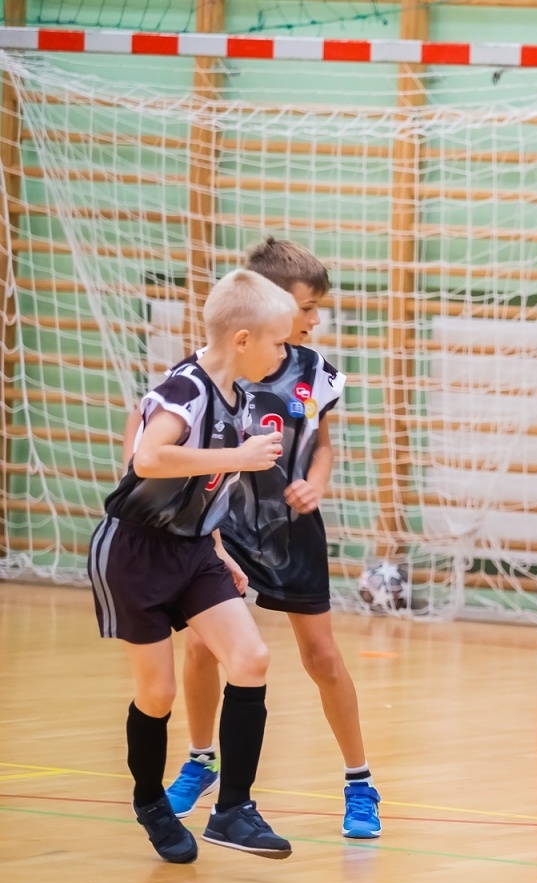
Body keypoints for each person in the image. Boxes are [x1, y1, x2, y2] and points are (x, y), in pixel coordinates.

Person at [128, 238, 380, 838]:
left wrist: (315, 485)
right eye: (308, 306)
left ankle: (360, 781)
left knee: (322, 657)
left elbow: (321, 447)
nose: (316, 319)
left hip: (291, 533)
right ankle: (200, 762)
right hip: (222, 526)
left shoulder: (315, 373)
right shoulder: (215, 368)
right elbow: (160, 449)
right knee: (202, 648)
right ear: (268, 305)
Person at [91, 269, 295, 862]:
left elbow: (204, 487)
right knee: (157, 695)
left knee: (251, 658)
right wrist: (241, 455)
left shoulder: (240, 398)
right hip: (134, 552)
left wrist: (219, 550)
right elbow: (150, 458)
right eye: (277, 343)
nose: (283, 354)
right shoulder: (188, 389)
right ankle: (152, 803)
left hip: (193, 550)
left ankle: (232, 810)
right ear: (241, 339)